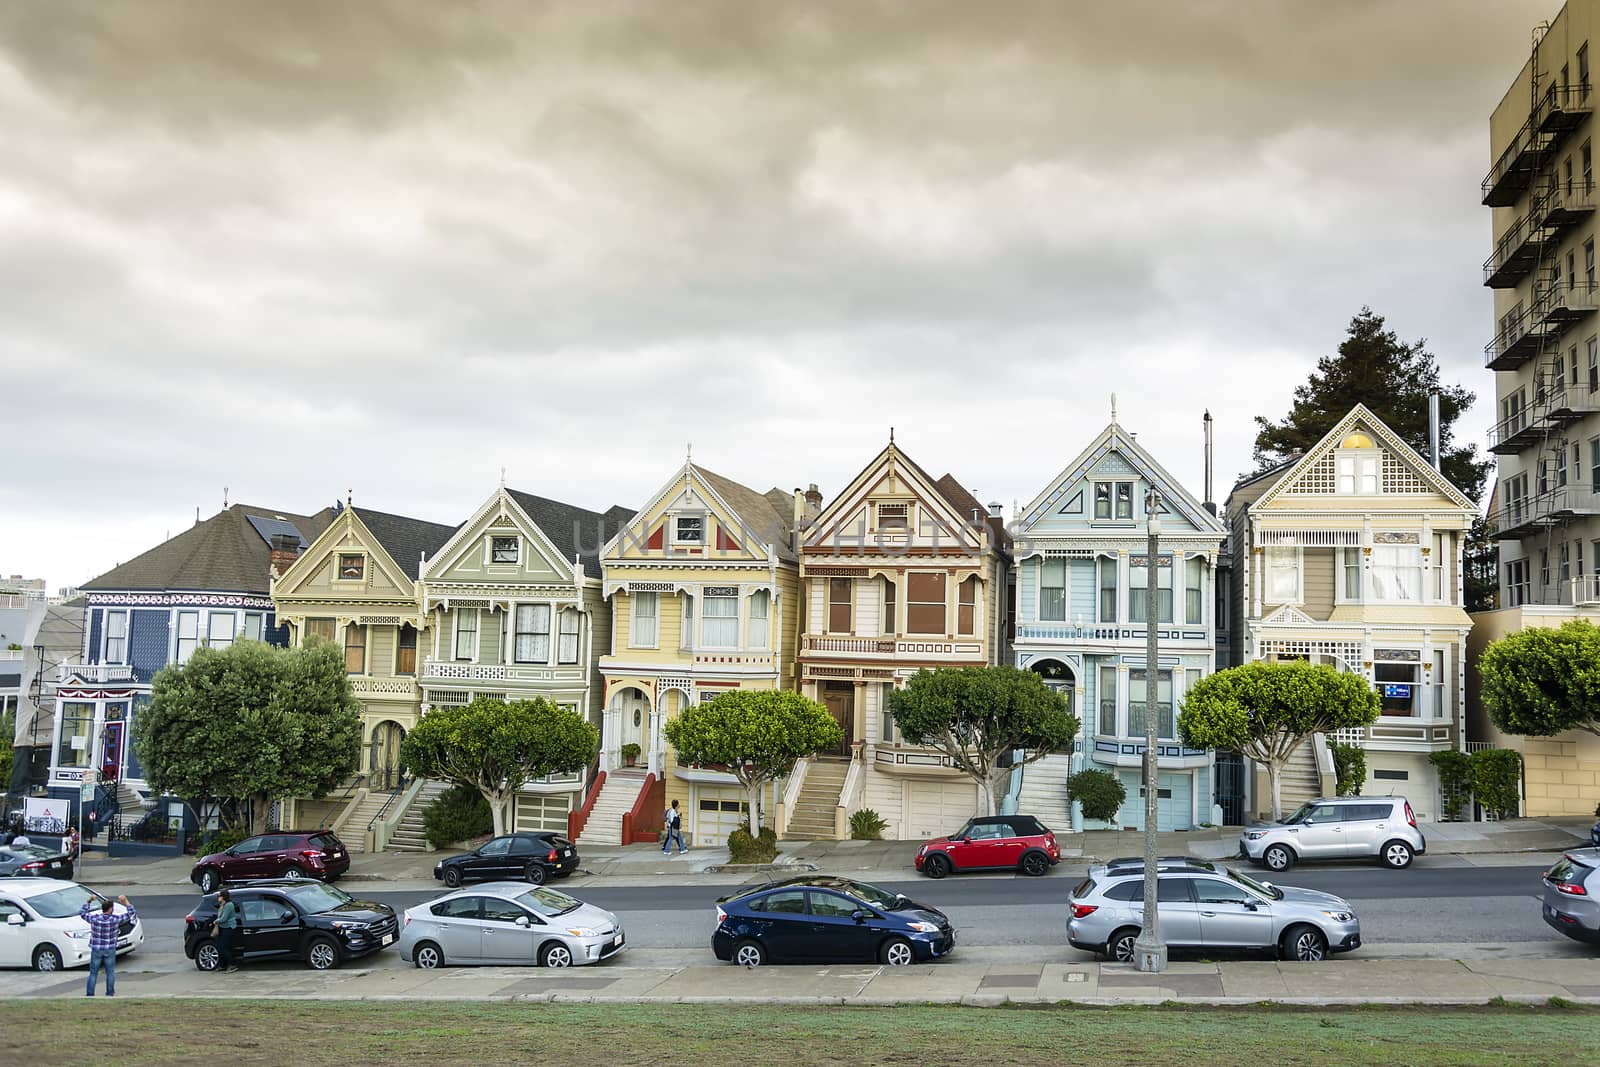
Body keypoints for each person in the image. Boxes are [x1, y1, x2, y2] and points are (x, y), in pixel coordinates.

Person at [79, 893, 134, 997]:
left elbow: (82, 913)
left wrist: (89, 900)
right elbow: (130, 913)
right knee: (110, 972)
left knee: (93, 973)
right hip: (110, 949)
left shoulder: (95, 919)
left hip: (96, 949)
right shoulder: (115, 920)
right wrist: (125, 901)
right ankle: (110, 993)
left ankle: (90, 994)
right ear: (110, 909)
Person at [215, 888, 241, 973]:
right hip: (223, 928)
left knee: (223, 947)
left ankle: (232, 964)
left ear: (223, 897)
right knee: (220, 946)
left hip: (228, 928)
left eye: (219, 896)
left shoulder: (229, 905)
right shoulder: (222, 905)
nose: (218, 898)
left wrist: (215, 921)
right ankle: (222, 965)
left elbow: (224, 918)